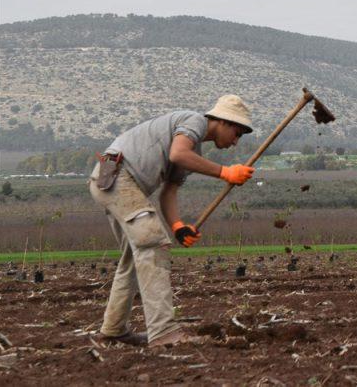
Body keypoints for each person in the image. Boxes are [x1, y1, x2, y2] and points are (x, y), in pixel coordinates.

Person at [88, 95, 256, 347]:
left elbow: (169, 191)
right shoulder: (194, 121)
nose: (235, 141)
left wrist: (178, 227)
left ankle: (113, 331)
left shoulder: (192, 148)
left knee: (136, 257)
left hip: (112, 182)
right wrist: (225, 172)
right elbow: (178, 154)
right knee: (154, 245)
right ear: (223, 121)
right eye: (237, 133)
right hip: (118, 177)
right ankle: (164, 332)